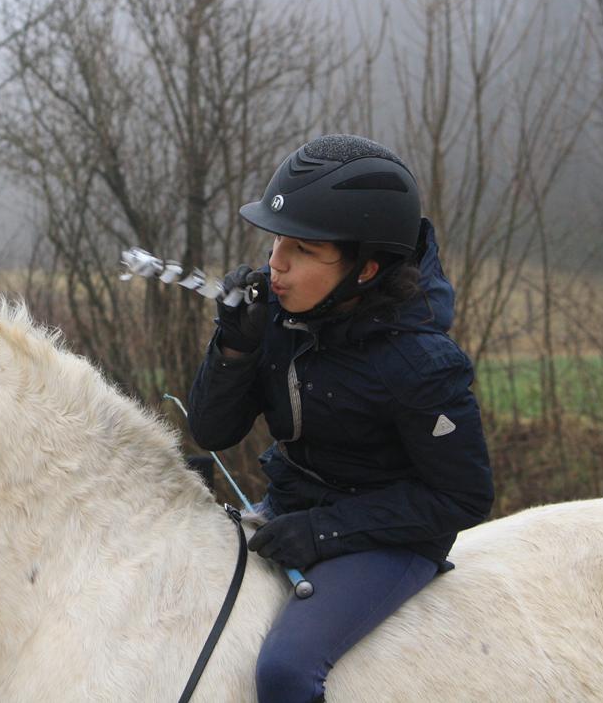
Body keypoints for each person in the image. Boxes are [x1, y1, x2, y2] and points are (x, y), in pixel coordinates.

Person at [187, 134, 494, 703]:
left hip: (394, 537)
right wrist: (234, 346)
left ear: (367, 267)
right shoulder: (284, 313)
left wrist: (322, 532)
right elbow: (212, 432)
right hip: (292, 506)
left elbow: (465, 498)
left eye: (303, 250)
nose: (275, 265)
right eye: (277, 240)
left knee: (284, 671)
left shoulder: (420, 363)